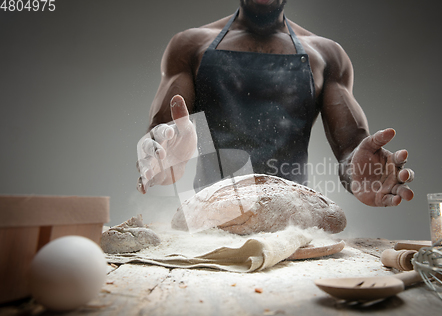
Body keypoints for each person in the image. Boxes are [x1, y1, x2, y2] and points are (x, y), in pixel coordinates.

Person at [136, 0, 415, 207]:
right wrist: (164, 159)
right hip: (209, 221)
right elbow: (165, 134)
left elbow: (351, 148)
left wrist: (362, 171)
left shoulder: (326, 55)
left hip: (293, 224)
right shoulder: (189, 46)